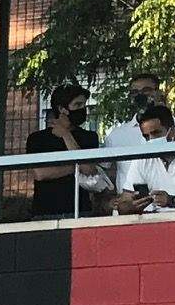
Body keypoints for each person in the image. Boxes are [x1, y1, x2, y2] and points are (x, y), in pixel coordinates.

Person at [111, 104, 175, 215]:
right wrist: (132, 206)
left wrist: (172, 200)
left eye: (156, 133)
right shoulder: (142, 158)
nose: (151, 140)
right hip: (154, 220)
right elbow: (123, 203)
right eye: (146, 136)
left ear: (172, 131)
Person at [26, 83, 111, 220]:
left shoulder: (89, 137)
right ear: (62, 109)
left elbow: (90, 170)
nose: (82, 109)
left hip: (81, 210)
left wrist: (66, 135)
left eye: (84, 104)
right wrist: (77, 167)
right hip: (45, 212)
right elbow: (40, 173)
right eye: (77, 105)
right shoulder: (38, 139)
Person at [104, 72, 175, 149]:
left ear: (158, 93)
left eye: (146, 90)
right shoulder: (117, 135)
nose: (140, 96)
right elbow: (103, 166)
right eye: (135, 92)